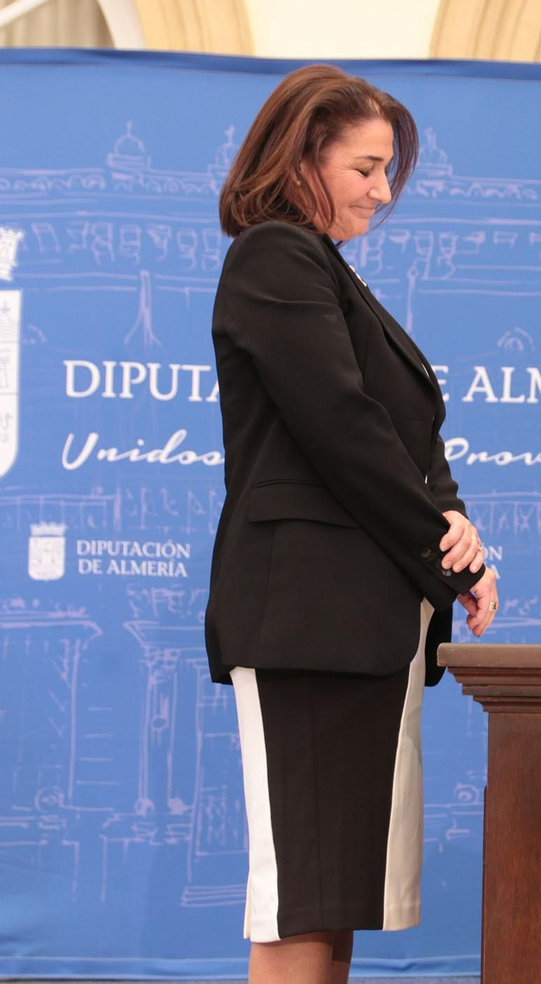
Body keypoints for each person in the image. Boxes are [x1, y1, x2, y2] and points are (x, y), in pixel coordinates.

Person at [205, 64, 499, 984]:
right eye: (365, 168)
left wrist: (455, 528)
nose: (382, 190)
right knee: (304, 900)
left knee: (332, 905)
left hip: (356, 628)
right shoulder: (274, 258)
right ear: (302, 160)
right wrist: (440, 548)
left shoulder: (323, 269)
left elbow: (408, 429)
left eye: (387, 172)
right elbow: (341, 424)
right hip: (310, 625)